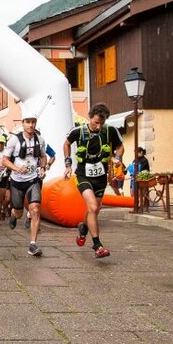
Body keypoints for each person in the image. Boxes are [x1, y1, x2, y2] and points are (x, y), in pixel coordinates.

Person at [64, 103, 124, 259]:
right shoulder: (78, 131)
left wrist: (117, 158)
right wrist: (68, 164)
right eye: (96, 122)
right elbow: (67, 143)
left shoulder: (110, 130)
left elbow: (120, 146)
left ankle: (83, 228)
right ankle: (97, 245)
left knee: (95, 210)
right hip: (83, 174)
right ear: (90, 117)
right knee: (91, 206)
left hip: (100, 177)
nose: (99, 126)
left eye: (102, 123)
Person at [2, 112, 47, 257]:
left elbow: (43, 156)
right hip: (16, 181)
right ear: (23, 123)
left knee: (35, 209)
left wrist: (42, 168)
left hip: (33, 180)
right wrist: (16, 168)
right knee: (19, 211)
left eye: (33, 122)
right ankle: (14, 216)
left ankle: (33, 245)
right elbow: (4, 160)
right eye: (28, 122)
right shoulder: (14, 140)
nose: (31, 125)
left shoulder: (40, 140)